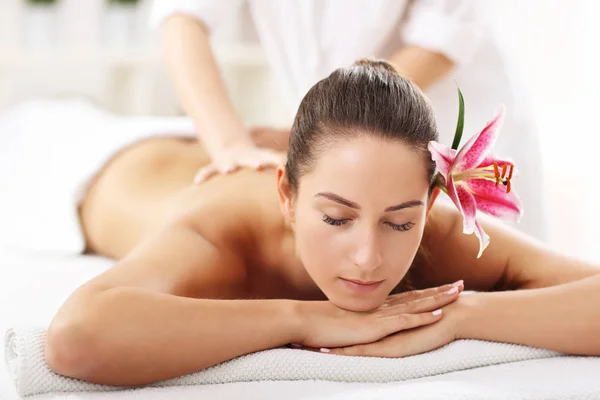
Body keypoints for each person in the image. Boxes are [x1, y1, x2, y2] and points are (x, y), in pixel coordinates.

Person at [38, 60, 600, 388]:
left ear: (428, 205)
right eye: (335, 218)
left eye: (400, 224)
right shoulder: (221, 233)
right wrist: (305, 319)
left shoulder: (435, 229)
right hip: (88, 157)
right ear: (286, 195)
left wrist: (459, 314)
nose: (367, 257)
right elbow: (76, 339)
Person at [149, 0, 547, 241]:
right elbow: (182, 19)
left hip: (454, 126)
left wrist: (323, 126)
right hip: (339, 132)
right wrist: (230, 146)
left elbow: (441, 40)